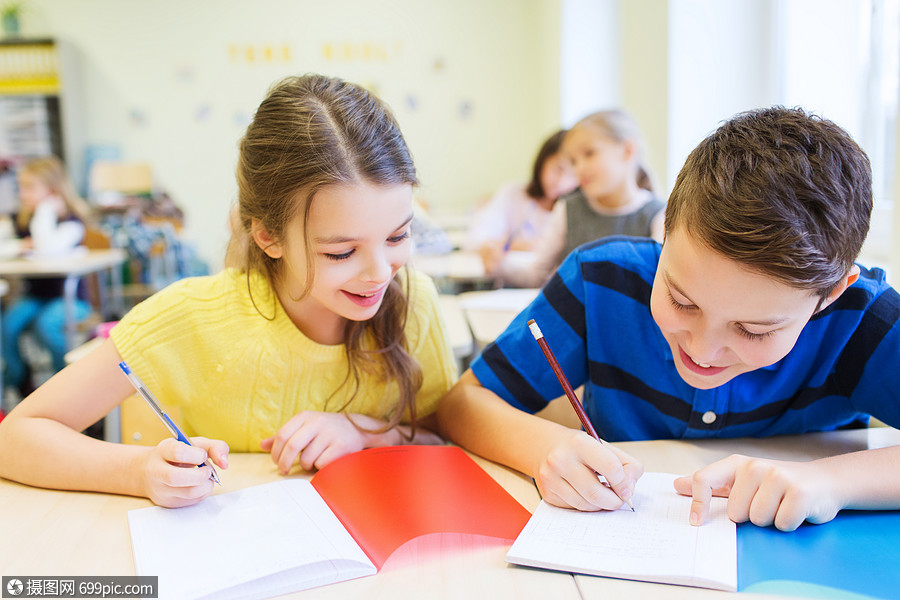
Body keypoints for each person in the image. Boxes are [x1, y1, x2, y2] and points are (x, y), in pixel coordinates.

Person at [0, 74, 457, 508]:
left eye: (397, 236)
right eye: (341, 252)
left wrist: (368, 434)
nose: (380, 273)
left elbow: (446, 435)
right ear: (267, 237)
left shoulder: (413, 300)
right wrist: (139, 470)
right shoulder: (194, 315)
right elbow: (16, 437)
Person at [437, 106, 900, 532]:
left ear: (831, 294)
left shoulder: (862, 319)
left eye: (754, 329)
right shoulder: (601, 281)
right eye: (682, 301)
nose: (701, 349)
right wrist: (541, 448)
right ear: (664, 231)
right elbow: (462, 404)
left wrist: (831, 482)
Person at [494, 109, 666, 288]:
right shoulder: (568, 208)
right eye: (573, 161)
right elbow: (536, 274)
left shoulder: (658, 215)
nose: (579, 168)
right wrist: (498, 265)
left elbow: (657, 288)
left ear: (628, 151)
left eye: (589, 153)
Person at [2, 156, 95, 398]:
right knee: (8, 325)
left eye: (30, 187)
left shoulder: (72, 222)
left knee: (48, 325)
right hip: (36, 296)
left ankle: (67, 386)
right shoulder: (22, 220)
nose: (23, 194)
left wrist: (45, 212)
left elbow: (47, 248)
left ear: (53, 191)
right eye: (21, 187)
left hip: (72, 299)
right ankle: (20, 381)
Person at [464, 130, 577, 274]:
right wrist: (511, 246)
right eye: (558, 169)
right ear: (543, 161)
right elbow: (474, 240)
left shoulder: (575, 208)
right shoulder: (513, 193)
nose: (561, 181)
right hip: (511, 281)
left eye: (572, 175)